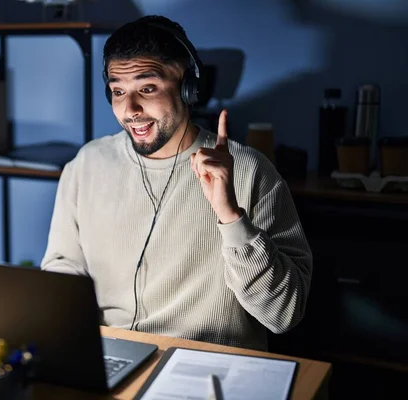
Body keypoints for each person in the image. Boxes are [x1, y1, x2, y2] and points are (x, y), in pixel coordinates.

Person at [41, 15, 312, 351]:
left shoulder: (250, 171)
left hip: (209, 366)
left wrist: (231, 217)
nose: (130, 109)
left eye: (148, 88)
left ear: (188, 88)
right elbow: (63, 266)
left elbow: (283, 315)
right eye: (117, 91)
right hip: (110, 357)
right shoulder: (87, 164)